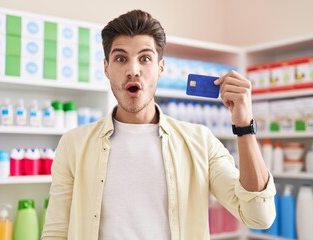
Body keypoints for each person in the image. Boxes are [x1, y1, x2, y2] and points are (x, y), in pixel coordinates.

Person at [41, 9, 276, 240]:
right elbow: (55, 232)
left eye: (145, 58)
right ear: (106, 68)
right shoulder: (74, 144)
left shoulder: (200, 142)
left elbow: (258, 216)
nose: (133, 70)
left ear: (160, 68)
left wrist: (244, 126)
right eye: (121, 58)